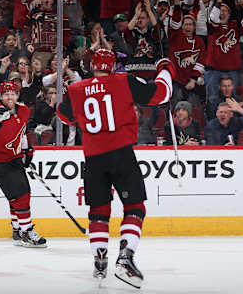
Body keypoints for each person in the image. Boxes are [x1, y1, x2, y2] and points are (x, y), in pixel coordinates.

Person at [56, 48, 174, 288]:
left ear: (92, 67)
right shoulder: (124, 81)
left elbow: (64, 116)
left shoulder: (77, 89)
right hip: (121, 153)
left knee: (98, 210)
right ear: (114, 66)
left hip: (93, 157)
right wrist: (164, 69)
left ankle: (100, 260)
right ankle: (126, 256)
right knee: (134, 206)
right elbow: (162, 94)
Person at [0, 81, 46, 248]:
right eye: (6, 94)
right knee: (21, 195)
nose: (9, 96)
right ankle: (26, 231)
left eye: (12, 93)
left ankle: (17, 229)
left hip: (15, 159)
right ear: (0, 97)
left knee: (17, 195)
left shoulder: (24, 111)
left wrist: (27, 150)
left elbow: (22, 132)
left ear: (17, 95)